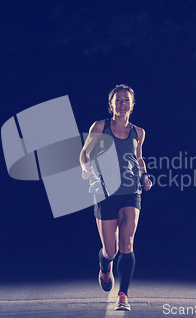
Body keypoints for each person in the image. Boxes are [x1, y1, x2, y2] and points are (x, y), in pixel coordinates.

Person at [79, 84, 152, 311]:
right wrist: (85, 167)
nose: (122, 104)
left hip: (131, 191)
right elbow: (85, 152)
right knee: (110, 251)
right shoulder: (100, 126)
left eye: (126, 100)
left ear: (132, 105)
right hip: (104, 192)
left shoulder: (139, 132)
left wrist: (145, 176)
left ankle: (123, 295)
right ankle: (104, 266)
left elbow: (138, 158)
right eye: (118, 100)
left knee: (127, 243)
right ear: (111, 105)